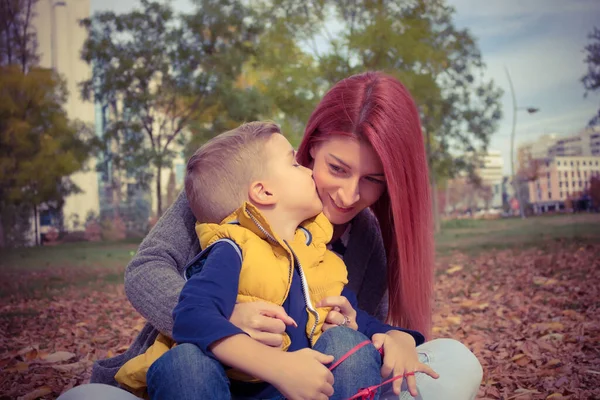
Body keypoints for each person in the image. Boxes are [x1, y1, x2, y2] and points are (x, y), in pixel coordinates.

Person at [58, 72, 483, 400]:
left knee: (455, 359)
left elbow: (355, 333)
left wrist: (394, 338)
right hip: (208, 370)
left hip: (308, 383)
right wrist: (226, 321)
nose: (350, 194)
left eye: (372, 179)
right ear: (311, 146)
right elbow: (147, 270)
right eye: (337, 168)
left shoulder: (364, 238)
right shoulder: (230, 192)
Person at [115, 121, 435, 399]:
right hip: (229, 386)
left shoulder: (318, 258)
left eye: (372, 179)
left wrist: (400, 337)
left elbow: (356, 319)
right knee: (183, 361)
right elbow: (191, 315)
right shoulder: (232, 247)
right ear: (263, 192)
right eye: (296, 164)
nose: (307, 172)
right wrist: (274, 363)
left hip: (290, 391)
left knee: (346, 340)